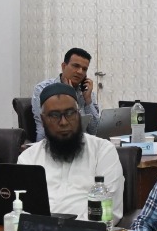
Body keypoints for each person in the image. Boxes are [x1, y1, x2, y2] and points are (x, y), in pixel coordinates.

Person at [17, 84, 125, 218]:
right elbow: (22, 209)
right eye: (54, 115)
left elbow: (109, 211)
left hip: (88, 229)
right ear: (43, 120)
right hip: (41, 229)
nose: (63, 122)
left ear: (78, 114)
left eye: (69, 113)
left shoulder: (102, 151)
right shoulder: (28, 158)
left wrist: (72, 228)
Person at [30, 48, 99, 133]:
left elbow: (95, 130)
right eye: (76, 66)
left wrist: (88, 100)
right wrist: (70, 96)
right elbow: (49, 127)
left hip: (83, 140)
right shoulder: (43, 89)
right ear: (63, 66)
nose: (80, 72)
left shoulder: (86, 92)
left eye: (84, 69)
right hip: (52, 139)